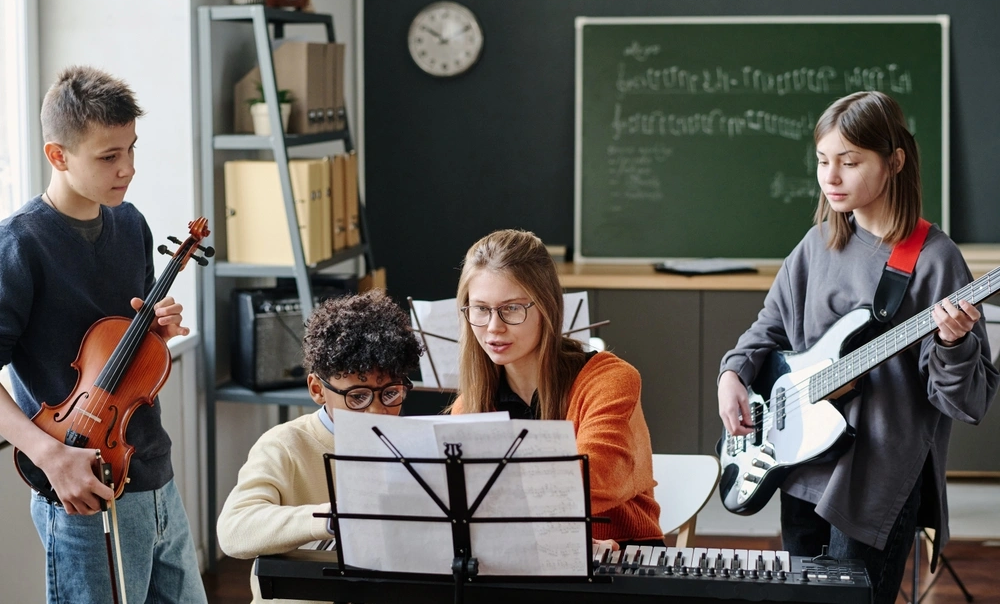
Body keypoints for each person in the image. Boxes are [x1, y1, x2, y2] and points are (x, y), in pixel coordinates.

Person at [717, 90, 999, 603]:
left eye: (849, 162)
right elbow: (769, 327)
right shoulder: (817, 242)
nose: (831, 176)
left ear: (894, 161)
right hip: (799, 465)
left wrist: (953, 343)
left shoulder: (935, 260)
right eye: (823, 161)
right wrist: (732, 374)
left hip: (875, 481)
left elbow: (965, 401)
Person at [0, 66, 207, 603]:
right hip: (80, 491)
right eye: (109, 157)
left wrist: (159, 330)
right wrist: (49, 456)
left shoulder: (130, 224)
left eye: (131, 150)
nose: (128, 169)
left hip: (154, 476)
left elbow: (128, 351)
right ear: (58, 156)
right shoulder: (20, 245)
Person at [449, 229, 662, 545]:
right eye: (480, 308)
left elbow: (591, 479)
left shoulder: (611, 380)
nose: (494, 327)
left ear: (546, 307)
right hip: (518, 563)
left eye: (511, 308)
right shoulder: (467, 408)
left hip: (621, 562)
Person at [217, 289, 423, 604]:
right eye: (357, 397)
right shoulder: (284, 445)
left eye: (391, 393)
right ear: (317, 389)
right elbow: (234, 531)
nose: (377, 412)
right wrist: (330, 518)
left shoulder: (412, 446)